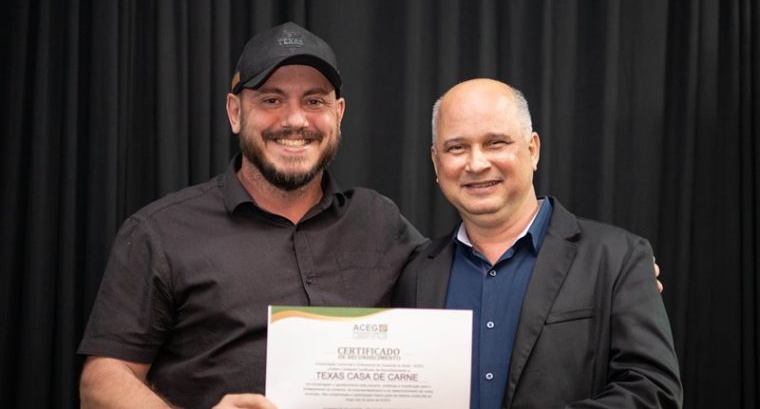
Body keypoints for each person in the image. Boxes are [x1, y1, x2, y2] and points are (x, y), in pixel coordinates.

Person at [77, 22, 427, 408]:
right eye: (271, 100)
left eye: (314, 101)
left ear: (338, 114)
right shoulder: (159, 232)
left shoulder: (379, 220)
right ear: (235, 112)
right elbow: (102, 380)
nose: (295, 120)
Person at [392, 79, 682, 408]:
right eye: (456, 148)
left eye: (495, 143)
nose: (476, 163)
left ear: (533, 150)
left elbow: (654, 390)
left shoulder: (617, 259)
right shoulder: (416, 274)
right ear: (436, 162)